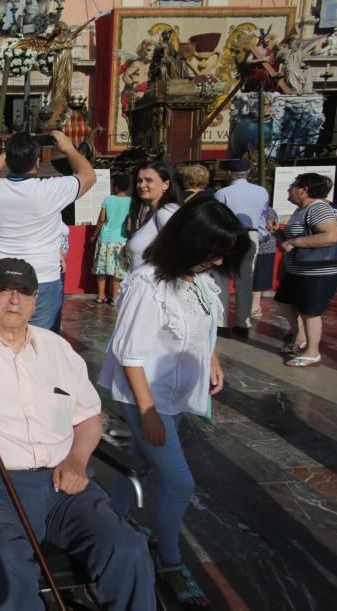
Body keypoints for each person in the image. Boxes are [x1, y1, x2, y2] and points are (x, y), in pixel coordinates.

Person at [0, 258, 155, 611]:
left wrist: (78, 460)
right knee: (7, 564)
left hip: (65, 485)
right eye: (4, 290)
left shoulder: (58, 350)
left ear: (36, 300)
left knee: (127, 548)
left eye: (24, 292)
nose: (14, 300)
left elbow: (87, 417)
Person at [101, 197, 250, 608]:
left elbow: (201, 325)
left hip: (174, 394)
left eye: (222, 254)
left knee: (142, 459)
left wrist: (211, 358)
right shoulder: (147, 284)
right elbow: (128, 354)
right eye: (212, 251)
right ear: (189, 242)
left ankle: (112, 513)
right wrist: (147, 412)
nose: (217, 261)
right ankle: (169, 560)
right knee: (179, 482)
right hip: (147, 397)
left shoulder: (197, 278)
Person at [0, 131, 97, 333]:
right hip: (42, 276)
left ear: (9, 160)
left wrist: (15, 151)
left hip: (0, 275)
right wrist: (68, 148)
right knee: (42, 343)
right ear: (37, 162)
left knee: (2, 338)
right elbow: (88, 175)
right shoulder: (51, 189)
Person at [274, 173, 337, 368]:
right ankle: (300, 336)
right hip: (299, 270)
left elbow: (330, 236)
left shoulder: (318, 209)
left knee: (310, 311)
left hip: (319, 271)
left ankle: (312, 352)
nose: (289, 189)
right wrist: (280, 234)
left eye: (292, 185)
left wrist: (294, 242)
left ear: (303, 190)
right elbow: (297, 238)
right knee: (284, 299)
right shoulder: (302, 209)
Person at [212, 159, 269, 338]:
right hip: (251, 235)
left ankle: (221, 323)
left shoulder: (222, 193)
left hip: (229, 236)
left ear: (229, 174)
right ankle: (242, 323)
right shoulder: (261, 192)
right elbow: (263, 218)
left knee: (221, 279)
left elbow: (219, 218)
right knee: (245, 280)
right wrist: (260, 235)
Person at [124, 162, 182, 272]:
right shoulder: (149, 211)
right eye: (139, 180)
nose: (141, 185)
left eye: (149, 180)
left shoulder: (165, 212)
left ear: (166, 184)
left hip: (156, 286)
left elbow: (179, 252)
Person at [90, 172, 132, 304]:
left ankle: (101, 296)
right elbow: (130, 223)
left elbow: (102, 220)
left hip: (105, 238)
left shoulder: (108, 199)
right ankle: (114, 298)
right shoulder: (131, 201)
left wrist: (94, 234)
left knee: (101, 268)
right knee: (117, 270)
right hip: (121, 240)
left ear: (116, 187)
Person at [251, 202, 279, 319]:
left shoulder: (269, 211)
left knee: (258, 278)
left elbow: (271, 227)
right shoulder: (267, 210)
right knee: (253, 277)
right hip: (254, 246)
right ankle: (253, 306)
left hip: (264, 247)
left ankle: (255, 306)